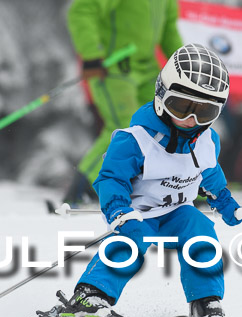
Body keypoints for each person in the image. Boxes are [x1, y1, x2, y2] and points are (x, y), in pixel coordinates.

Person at [33, 44, 242, 317]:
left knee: (201, 231)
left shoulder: (208, 141)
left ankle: (206, 302)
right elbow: (110, 179)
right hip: (136, 213)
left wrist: (223, 199)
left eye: (205, 112)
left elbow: (209, 171)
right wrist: (119, 211)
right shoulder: (135, 140)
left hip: (177, 212)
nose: (191, 120)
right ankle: (91, 296)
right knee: (132, 242)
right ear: (161, 97)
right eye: (181, 107)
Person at [63, 0, 184, 205]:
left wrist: (184, 65)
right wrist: (91, 53)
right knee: (125, 126)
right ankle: (84, 187)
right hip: (114, 67)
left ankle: (175, 188)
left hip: (147, 70)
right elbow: (82, 10)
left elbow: (168, 30)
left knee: (166, 124)